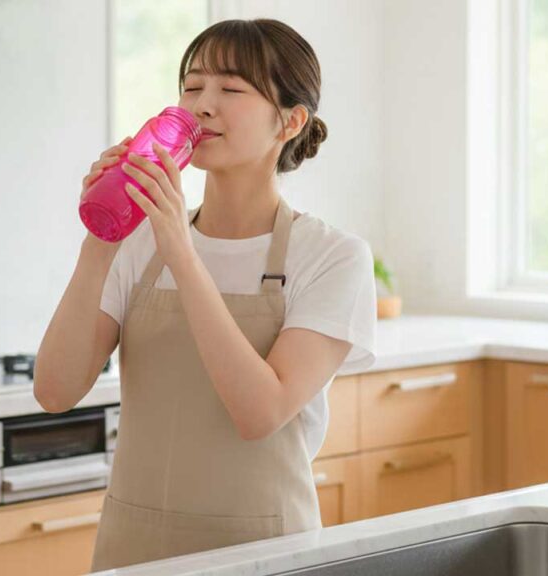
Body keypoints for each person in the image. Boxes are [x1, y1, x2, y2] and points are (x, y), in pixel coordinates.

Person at [34, 18, 377, 572]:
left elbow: (260, 413)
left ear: (290, 121)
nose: (202, 106)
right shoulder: (139, 243)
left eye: (231, 89)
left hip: (265, 553)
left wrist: (182, 252)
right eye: (192, 87)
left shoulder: (332, 257)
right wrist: (101, 242)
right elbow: (54, 390)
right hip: (134, 551)